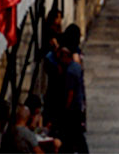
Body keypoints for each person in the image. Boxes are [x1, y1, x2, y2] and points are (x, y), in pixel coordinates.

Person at [41, 23, 88, 153]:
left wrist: (65, 108)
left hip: (70, 108)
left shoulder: (70, 69)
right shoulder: (73, 64)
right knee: (75, 136)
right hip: (74, 107)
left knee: (73, 136)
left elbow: (70, 93)